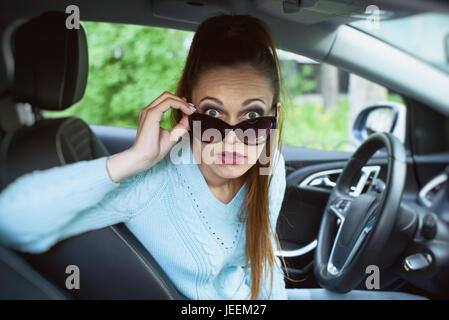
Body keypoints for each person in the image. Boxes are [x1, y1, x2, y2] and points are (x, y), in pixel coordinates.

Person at [0, 14, 426, 300]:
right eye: (213, 115)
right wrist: (130, 160)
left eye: (253, 117)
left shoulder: (268, 166)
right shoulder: (151, 183)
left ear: (274, 119)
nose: (234, 138)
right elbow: (11, 222)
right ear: (187, 111)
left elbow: (260, 269)